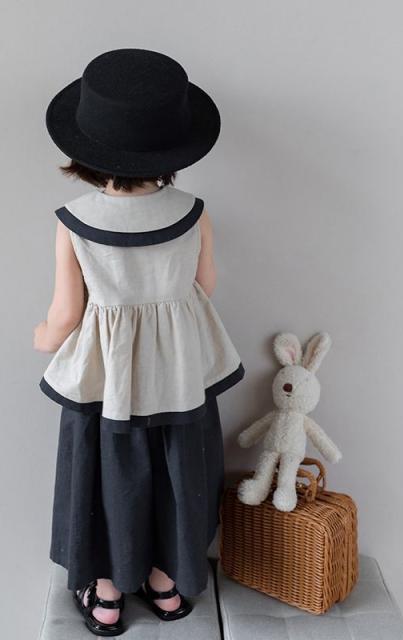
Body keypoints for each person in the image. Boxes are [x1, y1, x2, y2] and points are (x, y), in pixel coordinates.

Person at [33, 48, 245, 637]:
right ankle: (165, 581)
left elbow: (66, 313)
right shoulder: (193, 212)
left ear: (86, 148)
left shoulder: (74, 220)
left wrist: (43, 338)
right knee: (178, 469)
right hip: (179, 373)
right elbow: (205, 284)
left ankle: (105, 592)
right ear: (173, 151)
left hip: (107, 380)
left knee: (104, 473)